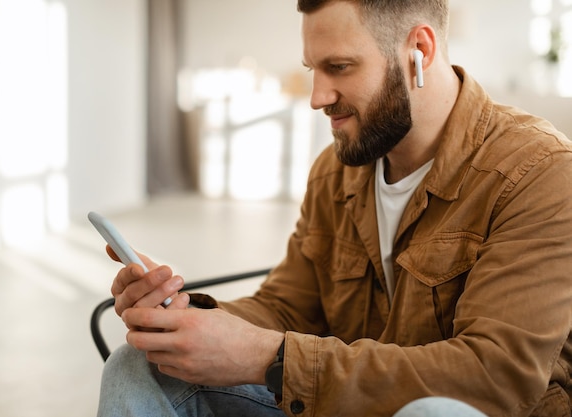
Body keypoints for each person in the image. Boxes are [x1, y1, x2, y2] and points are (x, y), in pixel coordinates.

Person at [96, 0, 572, 416]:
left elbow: (495, 379)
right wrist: (186, 317)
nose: (318, 97)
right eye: (313, 70)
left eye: (340, 67)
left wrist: (270, 358)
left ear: (419, 52)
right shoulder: (338, 169)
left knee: (435, 413)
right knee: (137, 366)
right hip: (342, 401)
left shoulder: (538, 172)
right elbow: (288, 306)